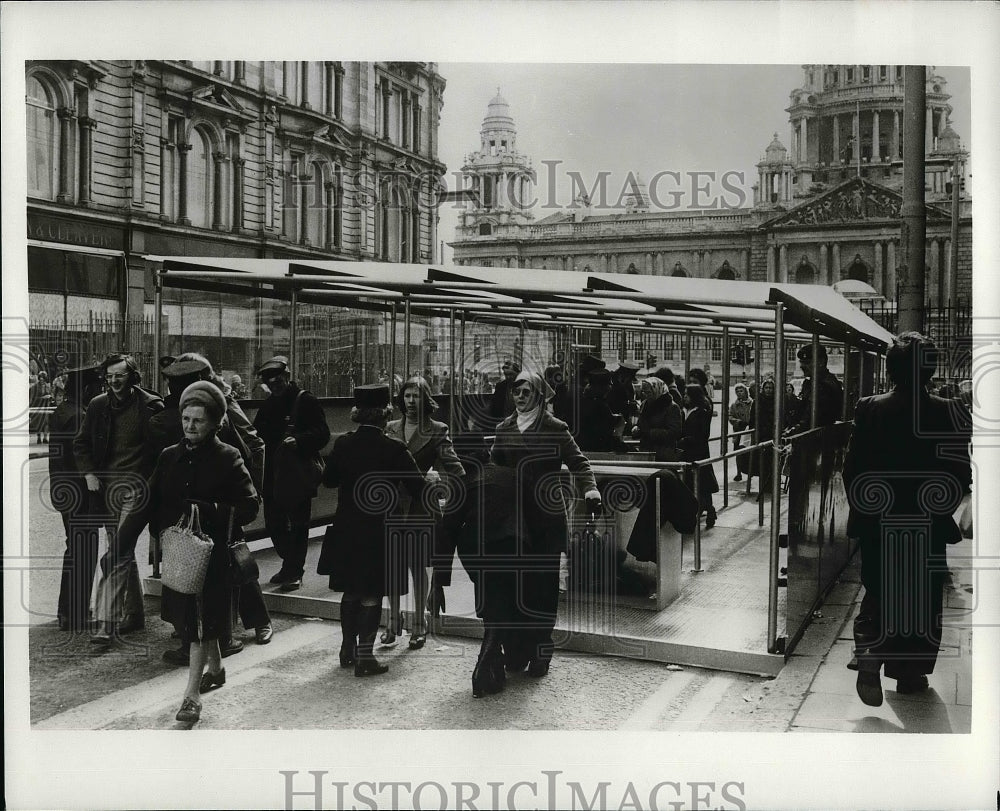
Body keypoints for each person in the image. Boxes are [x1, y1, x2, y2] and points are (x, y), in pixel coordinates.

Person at [115, 381, 259, 724]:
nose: (190, 426)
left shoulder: (229, 457)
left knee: (198, 624)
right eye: (186, 419)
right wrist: (120, 547)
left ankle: (191, 695)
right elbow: (146, 502)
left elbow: (250, 507)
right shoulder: (169, 456)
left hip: (214, 557)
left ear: (215, 423)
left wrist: (208, 509)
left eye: (198, 420)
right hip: (180, 555)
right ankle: (217, 669)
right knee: (193, 620)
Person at [843, 332, 972, 706]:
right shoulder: (948, 410)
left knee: (879, 586)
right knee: (921, 595)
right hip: (925, 521)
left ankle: (868, 649)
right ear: (930, 369)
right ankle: (909, 674)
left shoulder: (868, 407)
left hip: (877, 518)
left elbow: (852, 468)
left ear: (891, 368)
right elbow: (959, 473)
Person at [488, 370, 602, 678]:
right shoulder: (504, 428)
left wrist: (590, 488)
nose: (520, 397)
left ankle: (541, 652)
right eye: (516, 392)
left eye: (526, 391)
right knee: (515, 586)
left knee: (543, 588)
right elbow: (494, 467)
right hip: (513, 520)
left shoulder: (554, 427)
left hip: (546, 517)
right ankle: (515, 650)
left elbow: (579, 462)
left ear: (539, 394)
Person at [316, 385, 426, 677]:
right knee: (372, 594)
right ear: (385, 413)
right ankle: (365, 657)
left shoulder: (343, 445)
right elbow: (419, 488)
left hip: (347, 526)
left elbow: (328, 481)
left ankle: (346, 648)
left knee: (351, 591)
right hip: (380, 531)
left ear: (356, 413)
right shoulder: (394, 448)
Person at [74, 353, 165, 646]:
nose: (113, 381)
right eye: (109, 376)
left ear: (133, 376)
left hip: (137, 490)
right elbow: (81, 443)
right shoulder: (98, 405)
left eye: (120, 375)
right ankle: (134, 614)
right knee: (120, 550)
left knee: (116, 554)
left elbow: (162, 450)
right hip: (107, 491)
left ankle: (105, 622)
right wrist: (89, 473)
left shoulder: (151, 406)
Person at [383, 376, 466, 648]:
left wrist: (438, 485)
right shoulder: (390, 428)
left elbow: (455, 469)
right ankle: (393, 622)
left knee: (418, 568)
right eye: (406, 396)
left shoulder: (438, 430)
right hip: (393, 507)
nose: (410, 402)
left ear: (426, 399)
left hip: (420, 509)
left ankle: (419, 624)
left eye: (416, 396)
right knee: (394, 567)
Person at [253, 356, 330, 591]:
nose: (275, 386)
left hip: (297, 473)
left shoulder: (306, 401)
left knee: (298, 524)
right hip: (274, 475)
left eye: (278, 381)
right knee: (274, 523)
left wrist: (298, 441)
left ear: (287, 377)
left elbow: (322, 434)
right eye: (270, 383)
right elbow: (257, 437)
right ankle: (290, 564)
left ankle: (294, 570)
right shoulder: (268, 405)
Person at [49, 364, 104, 632]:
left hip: (64, 490)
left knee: (75, 549)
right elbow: (83, 457)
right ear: (85, 389)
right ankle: (76, 614)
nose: (100, 392)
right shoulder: (79, 416)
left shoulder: (63, 410)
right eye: (96, 388)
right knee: (84, 551)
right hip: (79, 494)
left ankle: (67, 611)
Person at [677, 383, 719, 529]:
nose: (684, 397)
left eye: (687, 395)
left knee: (703, 485)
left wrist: (687, 440)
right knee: (690, 484)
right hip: (685, 453)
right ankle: (699, 510)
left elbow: (703, 435)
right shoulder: (683, 410)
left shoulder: (702, 411)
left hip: (698, 452)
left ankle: (709, 510)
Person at [787, 344, 843, 434]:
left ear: (820, 362)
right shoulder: (810, 382)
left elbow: (813, 417)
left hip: (818, 437)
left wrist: (793, 431)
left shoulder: (825, 385)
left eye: (807, 362)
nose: (802, 366)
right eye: (801, 362)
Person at [575, 368, 627, 453]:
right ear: (603, 387)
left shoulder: (582, 402)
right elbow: (605, 436)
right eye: (609, 384)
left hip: (581, 448)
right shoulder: (601, 406)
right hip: (597, 451)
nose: (610, 387)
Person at [632, 376, 683, 462]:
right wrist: (637, 428)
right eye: (643, 392)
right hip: (646, 451)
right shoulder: (645, 404)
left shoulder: (671, 407)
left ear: (656, 390)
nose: (645, 395)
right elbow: (641, 423)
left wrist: (650, 432)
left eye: (648, 392)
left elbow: (674, 432)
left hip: (664, 453)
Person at [728, 383, 753, 481]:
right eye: (737, 391)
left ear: (746, 391)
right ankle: (739, 472)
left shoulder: (752, 402)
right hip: (738, 431)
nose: (739, 393)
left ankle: (750, 471)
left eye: (741, 391)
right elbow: (730, 416)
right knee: (738, 452)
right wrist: (738, 422)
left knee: (750, 451)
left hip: (749, 430)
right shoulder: (734, 405)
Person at [607, 361, 640, 429]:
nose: (630, 381)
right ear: (622, 376)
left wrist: (632, 402)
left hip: (624, 420)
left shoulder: (628, 385)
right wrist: (630, 405)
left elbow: (629, 398)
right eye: (629, 379)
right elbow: (614, 404)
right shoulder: (611, 385)